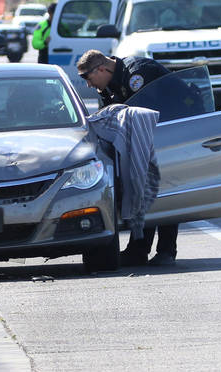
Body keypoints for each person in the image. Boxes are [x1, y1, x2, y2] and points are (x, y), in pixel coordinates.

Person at [77, 48, 179, 266]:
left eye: (88, 77)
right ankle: (138, 250)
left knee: (163, 191)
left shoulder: (139, 74)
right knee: (142, 191)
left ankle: (167, 251)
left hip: (169, 134)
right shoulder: (108, 87)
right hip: (142, 142)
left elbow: (148, 113)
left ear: (102, 68)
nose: (88, 84)